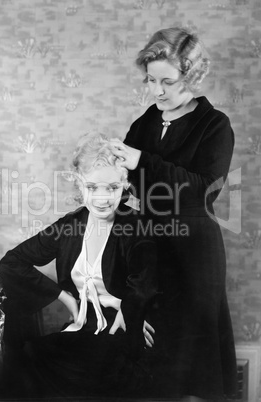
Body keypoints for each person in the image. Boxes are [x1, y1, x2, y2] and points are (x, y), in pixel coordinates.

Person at [110, 27, 238, 401]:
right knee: (152, 357)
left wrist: (141, 161)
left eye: (168, 81)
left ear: (193, 78)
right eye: (151, 80)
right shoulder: (144, 123)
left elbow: (202, 189)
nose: (157, 91)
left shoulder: (214, 125)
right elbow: (131, 191)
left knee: (194, 363)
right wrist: (113, 190)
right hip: (148, 251)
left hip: (194, 254)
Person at [0, 133, 159, 400]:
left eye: (113, 187)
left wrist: (130, 312)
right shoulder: (70, 226)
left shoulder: (136, 226)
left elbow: (144, 281)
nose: (103, 198)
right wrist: (65, 298)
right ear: (80, 185)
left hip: (121, 338)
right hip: (83, 330)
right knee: (23, 359)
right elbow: (12, 263)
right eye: (93, 187)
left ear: (125, 185)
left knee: (89, 375)